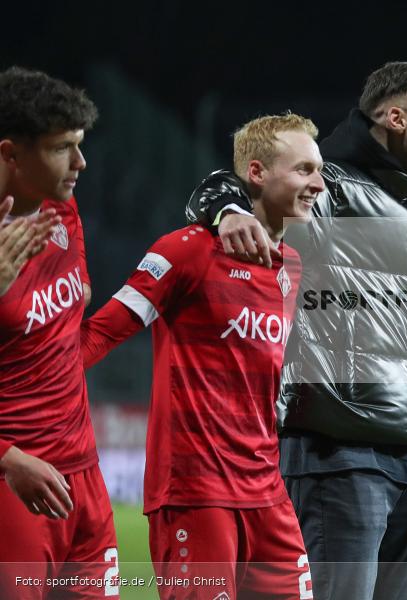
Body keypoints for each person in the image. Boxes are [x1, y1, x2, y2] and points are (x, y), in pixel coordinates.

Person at [182, 61, 407, 600]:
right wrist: (226, 211)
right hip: (339, 457)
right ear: (395, 118)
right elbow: (236, 178)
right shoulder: (329, 184)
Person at [80, 113, 320, 599]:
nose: (318, 183)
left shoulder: (294, 265)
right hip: (196, 490)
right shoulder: (186, 251)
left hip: (267, 492)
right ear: (256, 173)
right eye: (303, 171)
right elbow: (98, 335)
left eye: (318, 170)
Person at [0, 66, 120, 599]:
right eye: (62, 148)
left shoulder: (61, 209)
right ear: (10, 154)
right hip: (14, 482)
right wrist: (7, 457)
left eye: (80, 144)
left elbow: (77, 302)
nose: (81, 162)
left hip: (85, 480)